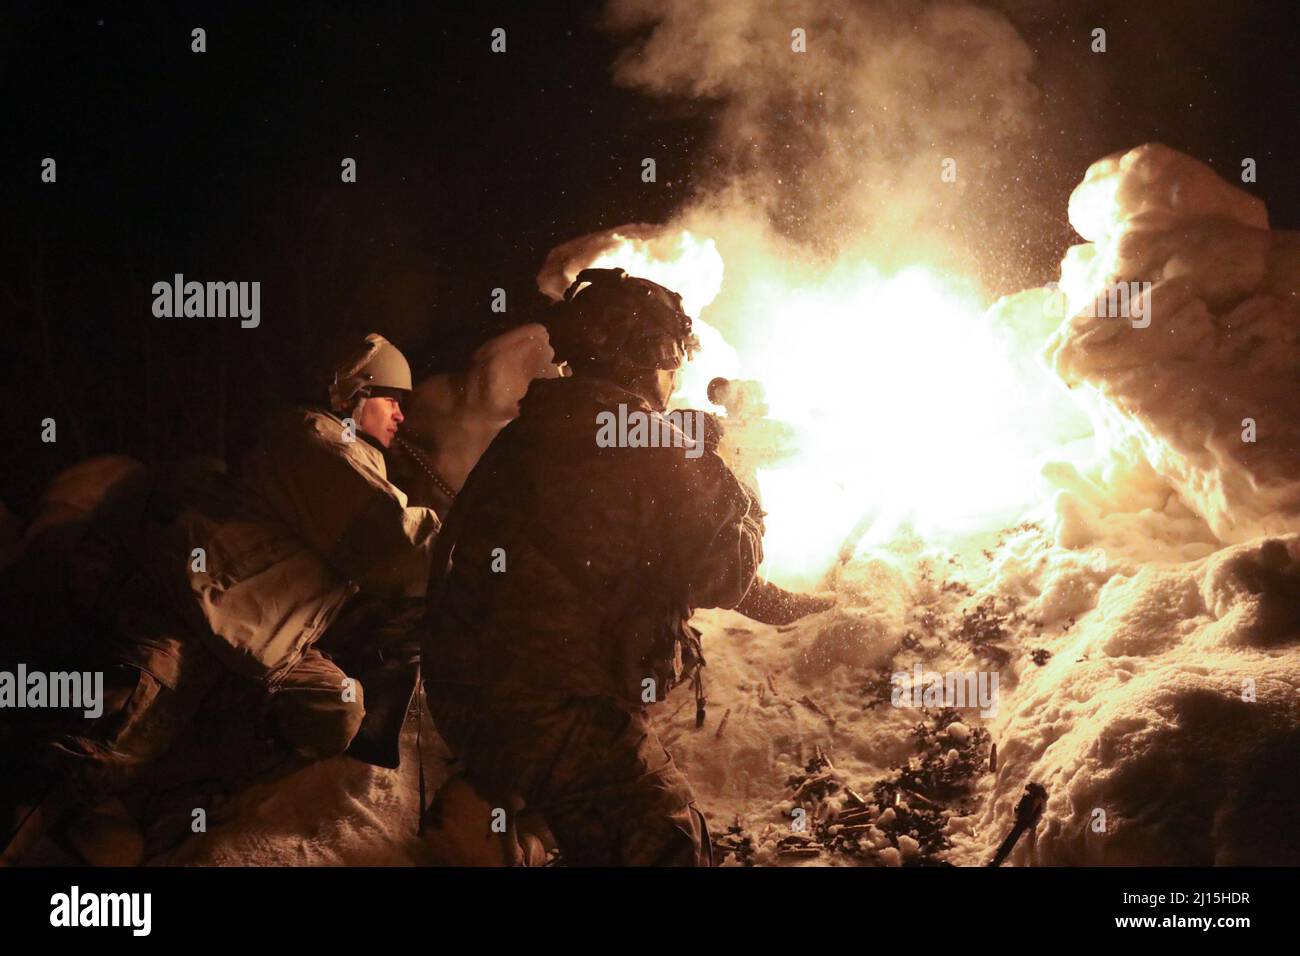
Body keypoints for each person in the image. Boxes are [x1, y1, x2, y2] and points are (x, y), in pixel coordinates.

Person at [1, 333, 438, 865]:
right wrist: (475, 537)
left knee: (331, 707)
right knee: (97, 755)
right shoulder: (315, 438)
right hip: (194, 618)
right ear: (352, 392)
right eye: (393, 398)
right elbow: (394, 548)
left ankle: (167, 801)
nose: (400, 415)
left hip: (261, 646)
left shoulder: (354, 460)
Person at [422, 268, 764, 866]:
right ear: (649, 354)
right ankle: (525, 809)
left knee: (586, 794)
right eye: (672, 356)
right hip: (551, 710)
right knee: (673, 849)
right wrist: (743, 470)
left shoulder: (534, 430)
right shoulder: (654, 444)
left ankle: (507, 811)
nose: (674, 373)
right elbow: (727, 575)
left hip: (463, 696)